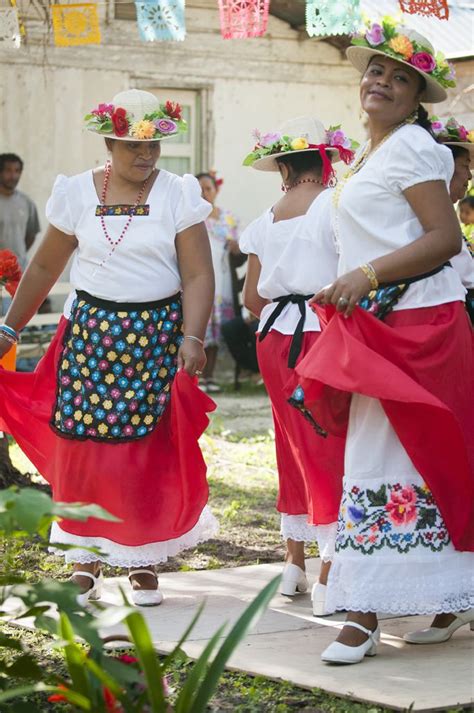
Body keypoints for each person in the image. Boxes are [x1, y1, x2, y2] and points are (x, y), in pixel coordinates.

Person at [290, 19, 473, 663]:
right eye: (377, 71)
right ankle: (422, 601)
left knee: (416, 457)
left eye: (401, 79)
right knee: (384, 457)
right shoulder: (370, 154)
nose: (383, 83)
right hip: (375, 326)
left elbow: (444, 239)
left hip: (421, 324)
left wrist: (363, 275)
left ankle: (366, 612)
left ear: (418, 97)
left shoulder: (418, 149)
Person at [0, 90, 218, 607]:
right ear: (109, 141)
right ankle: (83, 560)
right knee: (84, 447)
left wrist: (194, 335)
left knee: (144, 451)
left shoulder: (177, 194)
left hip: (156, 339)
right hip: (90, 337)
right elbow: (46, 268)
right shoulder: (76, 193)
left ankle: (141, 559)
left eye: (155, 147)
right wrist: (9, 328)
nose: (145, 157)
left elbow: (197, 272)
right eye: (133, 147)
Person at [240, 118, 356, 614]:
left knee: (290, 441)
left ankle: (294, 564)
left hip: (273, 334)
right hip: (322, 328)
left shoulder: (266, 218)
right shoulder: (335, 207)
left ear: (285, 167)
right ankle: (331, 572)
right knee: (330, 441)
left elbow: (250, 298)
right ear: (325, 161)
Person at [196, 172, 241, 392]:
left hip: (221, 281)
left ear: (216, 190)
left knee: (216, 327)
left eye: (208, 188)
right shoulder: (191, 217)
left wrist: (236, 248)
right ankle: (196, 378)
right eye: (199, 189)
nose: (204, 193)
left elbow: (239, 255)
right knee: (198, 326)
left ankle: (210, 377)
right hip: (196, 281)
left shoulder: (228, 218)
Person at [0, 153, 40, 269]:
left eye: (17, 171)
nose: (13, 176)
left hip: (18, 270)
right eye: (8, 170)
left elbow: (31, 235)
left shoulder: (27, 203)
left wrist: (16, 256)